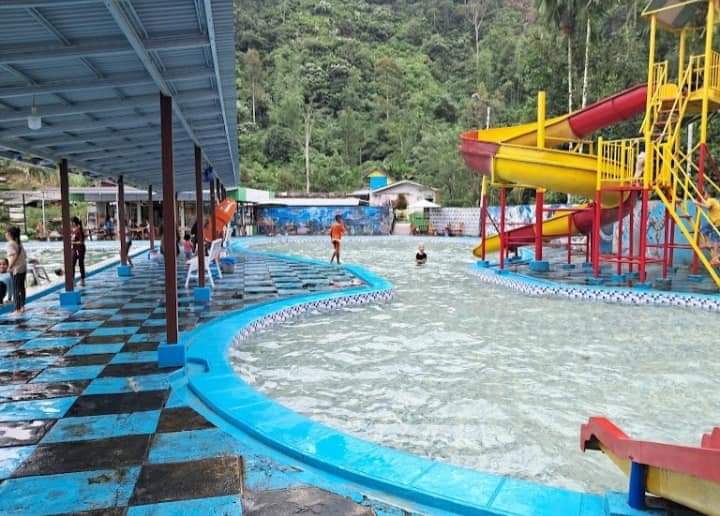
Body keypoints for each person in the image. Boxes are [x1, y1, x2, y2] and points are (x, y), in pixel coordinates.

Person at [5, 226, 27, 315]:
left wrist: (10, 266)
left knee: (16, 289)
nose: (5, 234)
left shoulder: (10, 244)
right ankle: (22, 307)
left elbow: (14, 255)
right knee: (21, 288)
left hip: (16, 269)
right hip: (23, 267)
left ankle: (17, 309)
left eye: (6, 233)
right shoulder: (19, 243)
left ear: (9, 234)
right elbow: (25, 256)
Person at [694, 194, 720, 266]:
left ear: (708, 194)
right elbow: (706, 204)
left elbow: (707, 206)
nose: (704, 195)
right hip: (713, 222)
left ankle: (715, 258)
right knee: (703, 229)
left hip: (717, 223)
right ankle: (707, 243)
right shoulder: (715, 200)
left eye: (704, 194)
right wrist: (701, 201)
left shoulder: (710, 200)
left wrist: (697, 203)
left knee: (715, 239)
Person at [71, 216, 86, 286]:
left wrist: (73, 242)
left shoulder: (80, 230)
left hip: (80, 249)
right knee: (72, 264)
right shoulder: (73, 230)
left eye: (72, 222)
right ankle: (73, 281)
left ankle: (82, 280)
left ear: (74, 222)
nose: (71, 223)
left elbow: (81, 242)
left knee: (81, 264)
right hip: (74, 249)